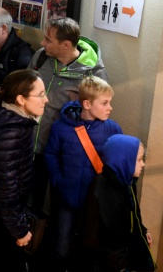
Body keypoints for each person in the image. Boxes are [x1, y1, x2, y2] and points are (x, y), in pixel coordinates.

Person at [27, 17, 109, 216]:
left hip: (60, 153)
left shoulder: (93, 74)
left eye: (48, 39)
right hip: (29, 145)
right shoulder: (41, 58)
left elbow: (97, 117)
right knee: (28, 199)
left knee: (57, 208)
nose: (42, 43)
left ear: (65, 45)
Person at [0, 69, 48, 272]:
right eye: (40, 94)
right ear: (21, 99)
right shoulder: (13, 131)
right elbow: (7, 187)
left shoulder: (5, 117)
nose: (46, 99)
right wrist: (19, 230)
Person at [44, 76, 123, 270]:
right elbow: (51, 154)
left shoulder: (113, 129)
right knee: (61, 245)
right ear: (87, 104)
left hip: (94, 202)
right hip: (66, 197)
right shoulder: (61, 127)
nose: (110, 108)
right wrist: (58, 180)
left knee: (90, 245)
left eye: (109, 102)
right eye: (104, 103)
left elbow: (118, 161)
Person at [82, 135, 156, 272]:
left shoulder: (126, 181)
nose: (143, 164)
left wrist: (142, 230)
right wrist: (121, 266)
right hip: (110, 262)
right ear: (124, 160)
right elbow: (112, 237)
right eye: (139, 160)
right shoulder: (106, 191)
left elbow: (133, 213)